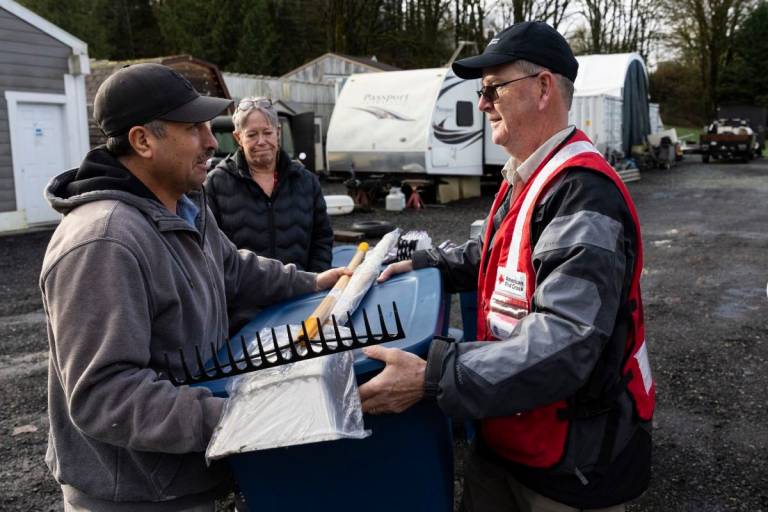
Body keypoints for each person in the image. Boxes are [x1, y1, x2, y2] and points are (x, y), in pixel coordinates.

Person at [359, 21, 655, 512]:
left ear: (542, 88)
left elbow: (567, 338)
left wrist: (435, 376)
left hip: (568, 464)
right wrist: (426, 261)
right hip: (506, 433)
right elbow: (500, 255)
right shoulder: (529, 174)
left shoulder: (583, 194)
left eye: (493, 89)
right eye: (481, 92)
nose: (482, 104)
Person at [40, 64, 348, 512]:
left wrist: (314, 281)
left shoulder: (184, 204)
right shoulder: (103, 241)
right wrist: (246, 416)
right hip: (136, 494)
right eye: (194, 129)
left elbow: (233, 268)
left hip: (187, 475)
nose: (212, 142)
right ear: (143, 140)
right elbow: (107, 396)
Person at [204, 97, 333, 273]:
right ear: (238, 137)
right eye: (252, 135)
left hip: (302, 293)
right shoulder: (216, 183)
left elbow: (322, 239)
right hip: (244, 298)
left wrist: (315, 281)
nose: (261, 141)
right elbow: (210, 249)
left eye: (267, 132)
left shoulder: (305, 181)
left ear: (277, 132)